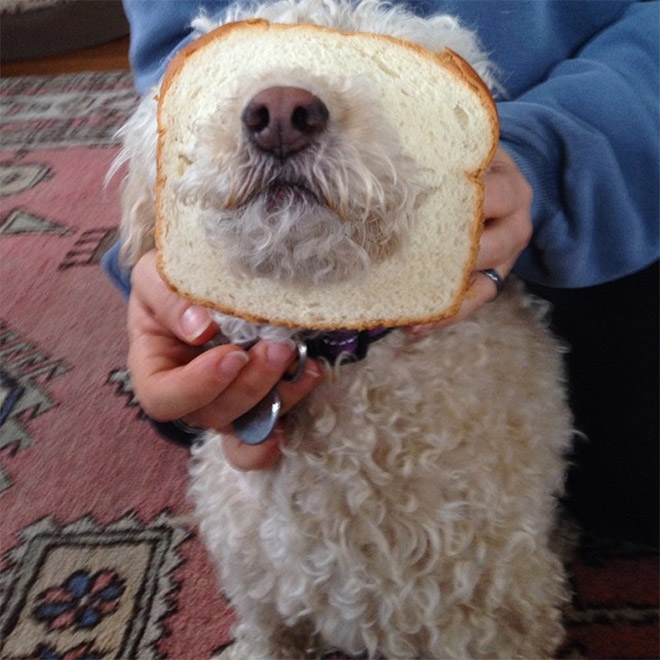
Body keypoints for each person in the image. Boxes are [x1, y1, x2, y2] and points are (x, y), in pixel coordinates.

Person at [104, 0, 659, 545]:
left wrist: (543, 149)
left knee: (635, 496)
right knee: (212, 418)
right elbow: (177, 58)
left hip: (601, 126)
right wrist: (162, 265)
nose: (283, 119)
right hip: (270, 268)